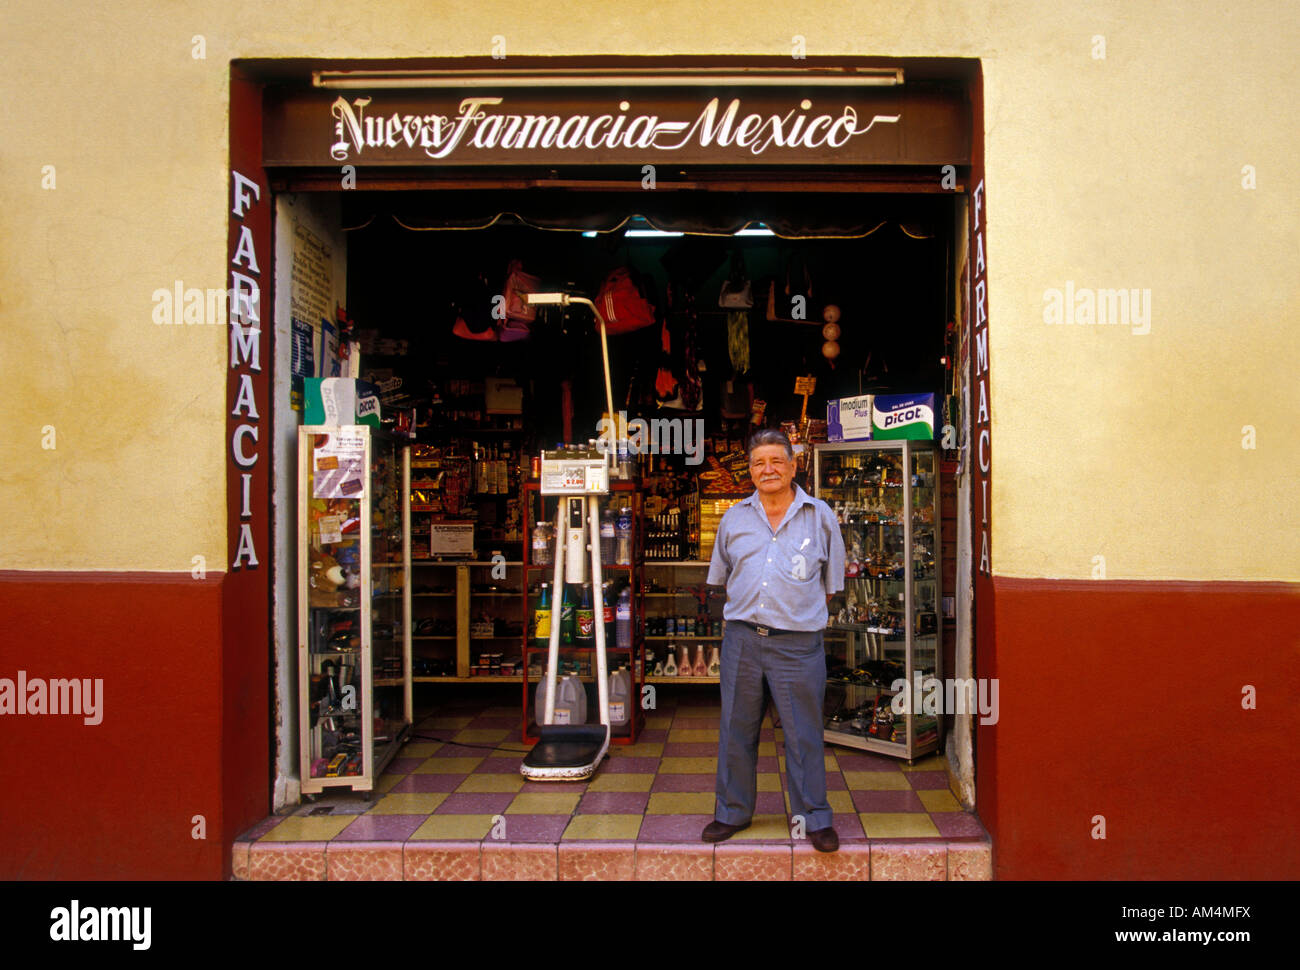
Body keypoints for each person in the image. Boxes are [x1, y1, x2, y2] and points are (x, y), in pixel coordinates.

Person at [704, 428, 846, 853]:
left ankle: (814, 817)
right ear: (750, 471)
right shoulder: (733, 518)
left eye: (776, 461)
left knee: (803, 733)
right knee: (735, 729)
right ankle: (731, 811)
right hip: (743, 641)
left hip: (798, 645)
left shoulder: (821, 516)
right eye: (758, 463)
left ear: (793, 465)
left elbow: (830, 586)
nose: (768, 469)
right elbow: (723, 580)